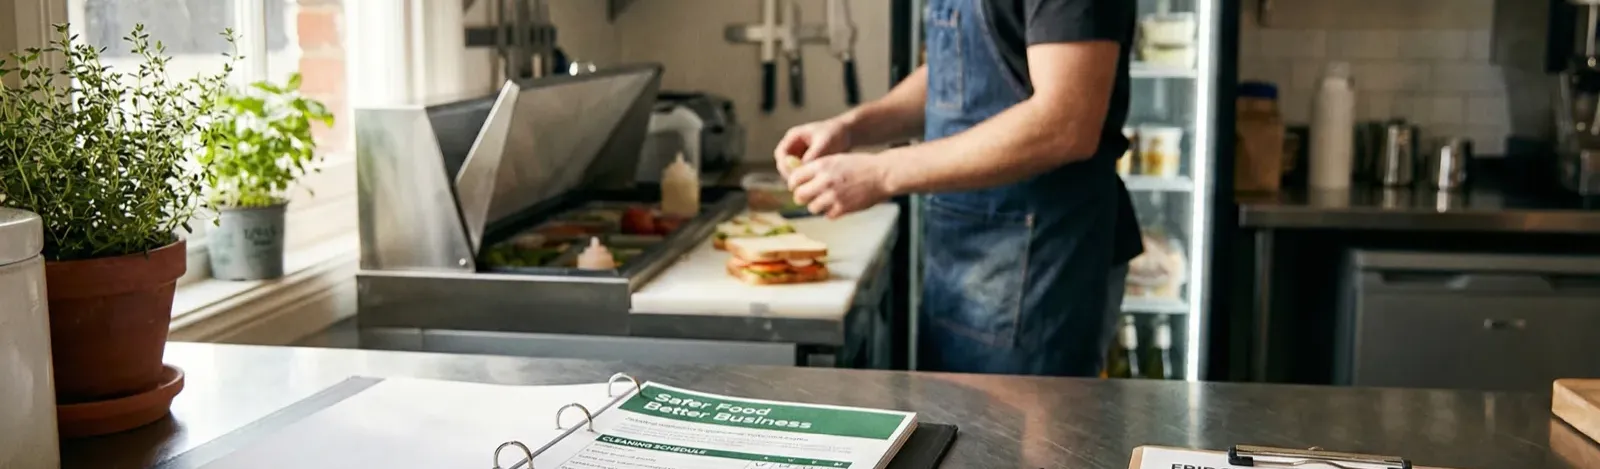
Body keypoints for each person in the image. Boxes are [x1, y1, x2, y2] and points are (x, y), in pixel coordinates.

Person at [774, 0, 1143, 376]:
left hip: (1043, 263)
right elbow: (957, 67)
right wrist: (854, 128)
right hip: (961, 254)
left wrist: (881, 172)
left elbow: (1065, 123)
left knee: (1016, 433)